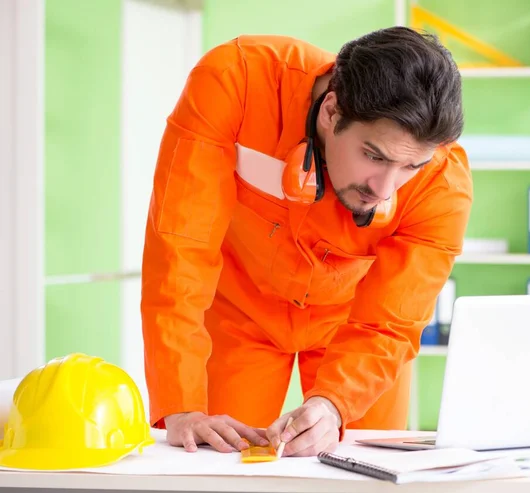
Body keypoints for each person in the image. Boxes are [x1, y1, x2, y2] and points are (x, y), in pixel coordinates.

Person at [140, 26, 473, 458]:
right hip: (242, 310)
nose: (386, 188)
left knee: (363, 472)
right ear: (330, 111)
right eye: (374, 156)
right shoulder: (234, 81)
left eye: (412, 165)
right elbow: (179, 249)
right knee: (214, 461)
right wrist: (182, 406)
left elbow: (391, 322)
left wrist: (335, 404)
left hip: (356, 331)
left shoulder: (442, 187)